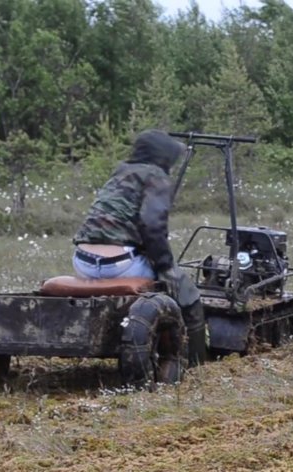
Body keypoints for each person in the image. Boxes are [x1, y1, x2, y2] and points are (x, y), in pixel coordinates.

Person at [72, 129, 206, 366]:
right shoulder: (156, 176)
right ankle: (196, 362)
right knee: (187, 292)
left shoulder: (121, 171)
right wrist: (166, 268)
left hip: (82, 262)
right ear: (163, 156)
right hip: (120, 264)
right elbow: (153, 227)